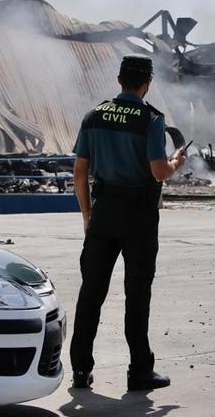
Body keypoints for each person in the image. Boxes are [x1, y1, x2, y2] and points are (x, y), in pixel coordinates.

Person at [70, 54, 187, 391]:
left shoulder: (94, 115)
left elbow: (80, 172)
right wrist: (177, 161)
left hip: (103, 211)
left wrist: (88, 216)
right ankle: (139, 371)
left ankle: (80, 370)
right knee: (137, 294)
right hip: (138, 214)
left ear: (120, 79)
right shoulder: (151, 119)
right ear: (147, 83)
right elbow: (158, 171)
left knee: (90, 292)